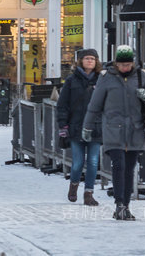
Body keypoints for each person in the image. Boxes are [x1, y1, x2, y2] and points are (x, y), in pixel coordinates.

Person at [83, 46, 145, 221]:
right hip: (113, 130)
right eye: (123, 64)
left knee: (129, 168)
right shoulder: (106, 78)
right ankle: (119, 204)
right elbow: (95, 105)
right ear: (116, 63)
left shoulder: (141, 76)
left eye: (128, 64)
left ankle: (126, 206)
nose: (126, 68)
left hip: (135, 130)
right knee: (119, 166)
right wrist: (87, 127)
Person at [56, 48, 102, 206]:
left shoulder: (101, 80)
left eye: (93, 59)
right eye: (87, 58)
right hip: (76, 127)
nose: (90, 61)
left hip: (96, 127)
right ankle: (74, 186)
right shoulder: (71, 80)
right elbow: (62, 105)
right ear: (80, 61)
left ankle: (88, 193)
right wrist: (63, 125)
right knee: (77, 163)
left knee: (93, 162)